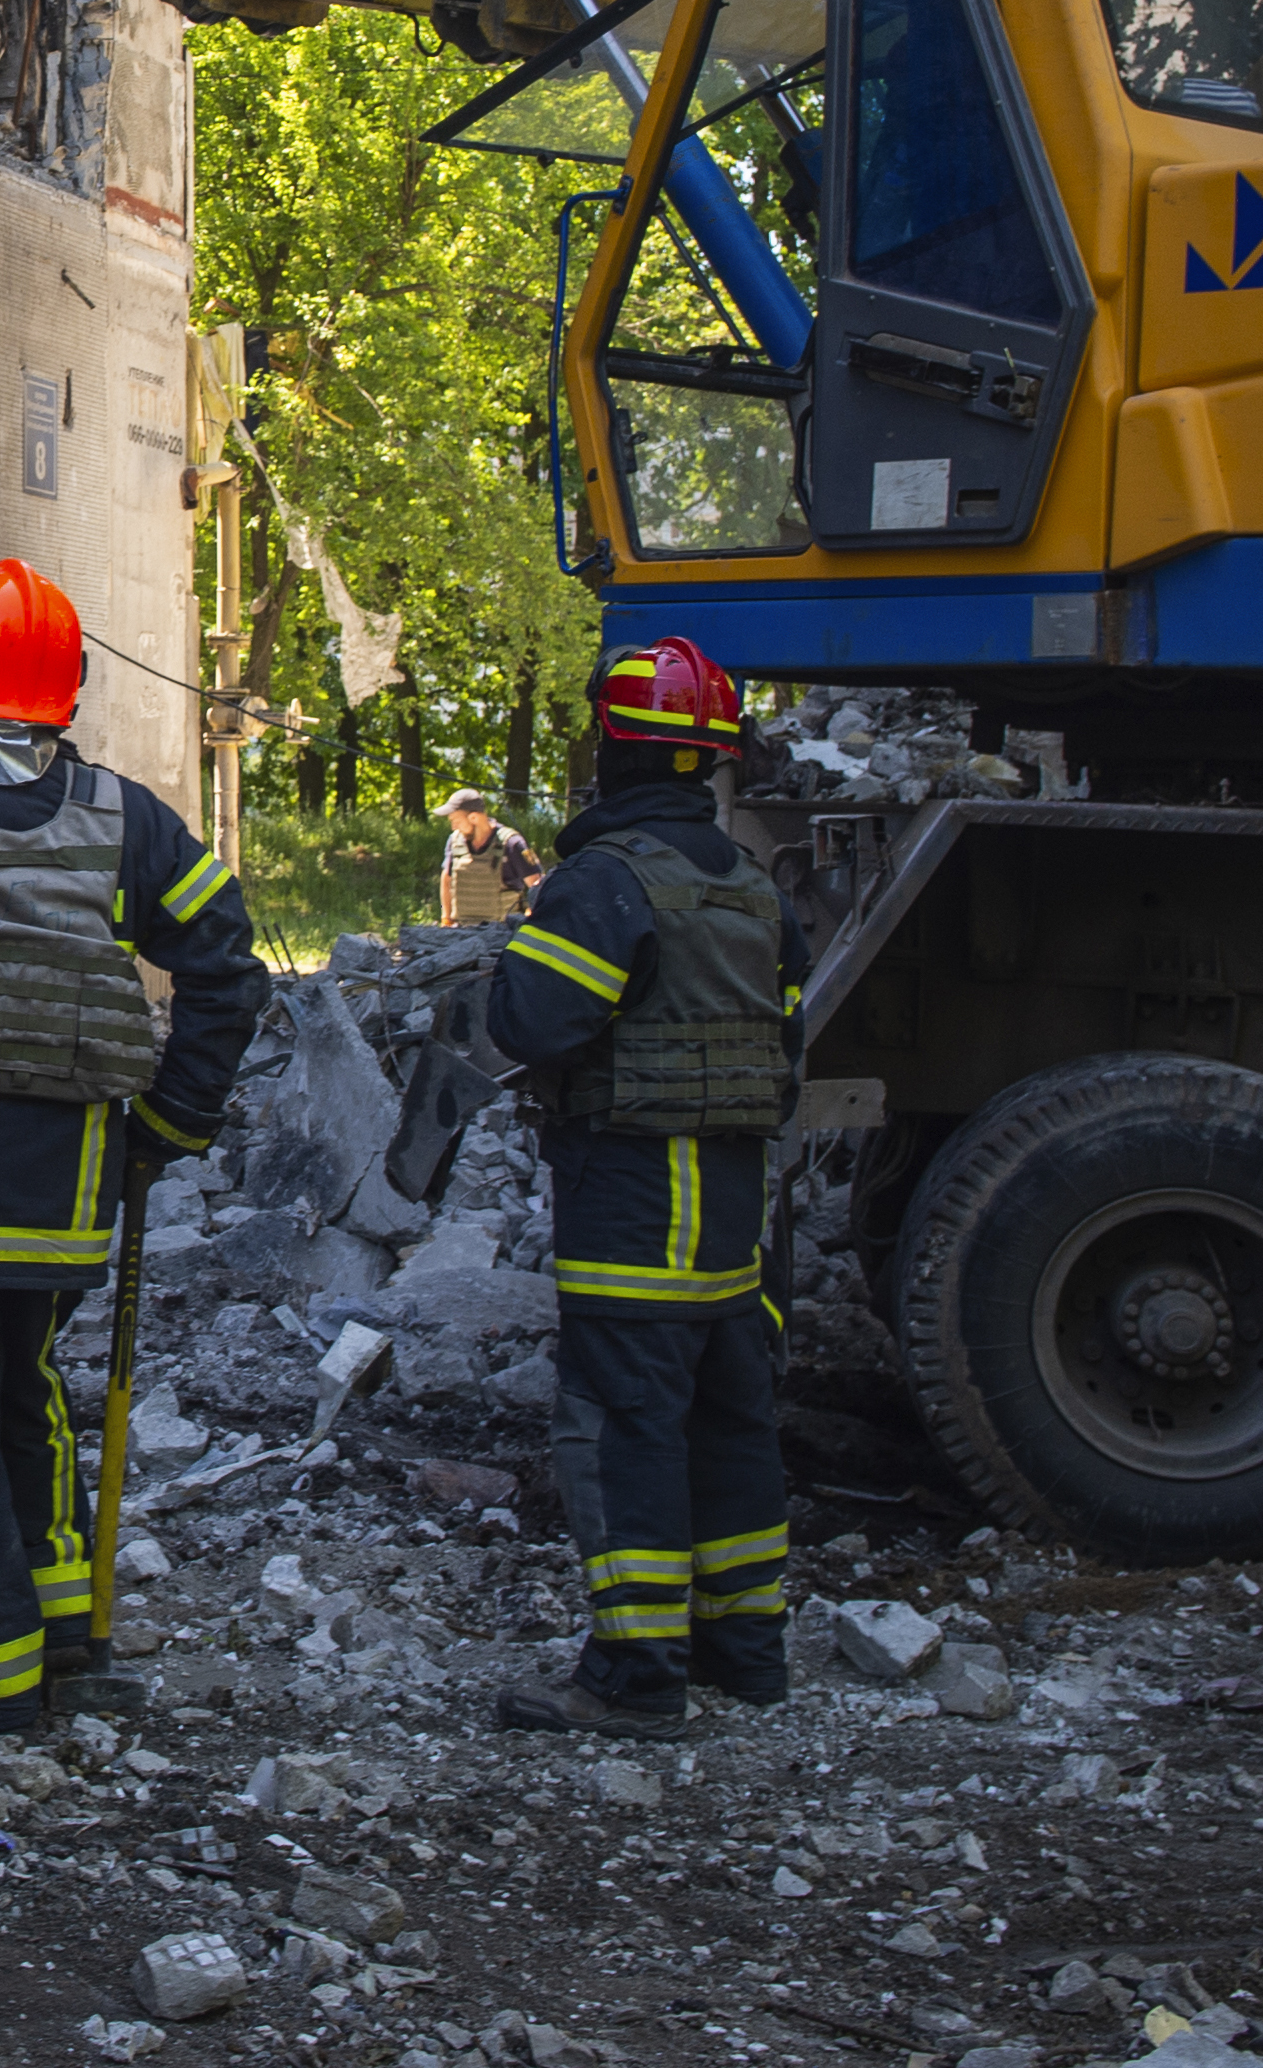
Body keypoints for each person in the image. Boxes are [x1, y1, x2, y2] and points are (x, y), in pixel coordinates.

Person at [0, 559, 268, 1727]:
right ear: (70, 685)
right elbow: (225, 968)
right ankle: (64, 1636)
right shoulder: (127, 818)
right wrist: (167, 1125)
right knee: (27, 1388)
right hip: (74, 1170)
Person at [485, 637, 811, 1738]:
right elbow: (790, 1043)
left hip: (633, 1197)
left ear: (614, 750)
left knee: (628, 1425)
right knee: (730, 1422)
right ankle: (745, 1651)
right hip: (732, 1212)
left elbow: (530, 1023)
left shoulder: (604, 883)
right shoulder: (757, 893)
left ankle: (634, 1675)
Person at [440, 788, 542, 926]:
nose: (453, 827)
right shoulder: (455, 842)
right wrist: (446, 919)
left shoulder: (511, 843)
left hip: (504, 931)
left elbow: (539, 887)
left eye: (456, 821)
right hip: (463, 930)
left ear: (474, 818)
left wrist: (531, 919)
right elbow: (446, 880)